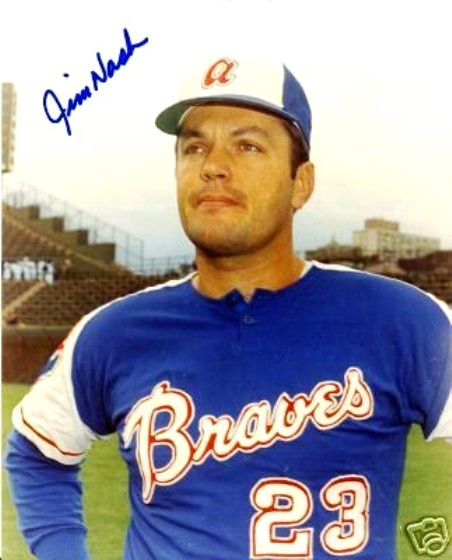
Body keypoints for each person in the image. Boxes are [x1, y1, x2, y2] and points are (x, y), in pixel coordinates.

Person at [6, 54, 452, 560]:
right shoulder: (112, 332)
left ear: (301, 183)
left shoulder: (401, 320)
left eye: (247, 145)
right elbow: (35, 453)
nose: (213, 166)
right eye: (194, 146)